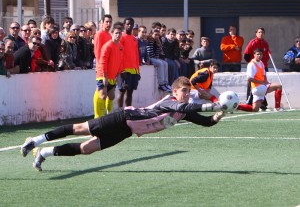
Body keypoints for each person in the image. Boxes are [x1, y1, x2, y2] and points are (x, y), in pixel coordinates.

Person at [20, 76, 225, 171]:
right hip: (122, 118)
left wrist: (220, 114)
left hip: (126, 131)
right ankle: (35, 141)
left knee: (86, 149)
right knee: (79, 128)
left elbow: (206, 123)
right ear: (175, 92)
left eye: (189, 91)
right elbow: (186, 109)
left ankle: (44, 153)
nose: (187, 95)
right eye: (184, 91)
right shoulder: (172, 102)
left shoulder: (184, 110)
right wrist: (215, 104)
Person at [93, 25, 124, 118]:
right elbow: (103, 62)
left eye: (119, 33)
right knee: (102, 95)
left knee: (111, 96)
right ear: (112, 34)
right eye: (116, 33)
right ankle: (98, 117)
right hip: (102, 74)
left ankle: (109, 115)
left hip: (112, 76)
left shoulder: (120, 47)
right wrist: (104, 76)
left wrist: (118, 75)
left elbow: (119, 62)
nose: (118, 35)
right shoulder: (107, 46)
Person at [243, 27, 270, 110]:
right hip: (254, 66)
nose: (260, 34)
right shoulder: (252, 42)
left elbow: (267, 55)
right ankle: (249, 102)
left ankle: (262, 103)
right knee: (252, 86)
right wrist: (252, 63)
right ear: (256, 33)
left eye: (262, 32)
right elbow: (246, 54)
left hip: (263, 66)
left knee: (263, 85)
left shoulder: (265, 43)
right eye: (259, 32)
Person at [117, 17, 140, 108]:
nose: (129, 26)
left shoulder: (134, 39)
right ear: (124, 25)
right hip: (124, 70)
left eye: (131, 24)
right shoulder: (121, 37)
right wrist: (121, 70)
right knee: (122, 91)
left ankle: (128, 112)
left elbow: (136, 55)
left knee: (130, 92)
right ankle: (119, 112)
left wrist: (138, 71)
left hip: (134, 71)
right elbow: (119, 54)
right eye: (128, 24)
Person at [93, 14, 113, 118]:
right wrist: (101, 67)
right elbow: (97, 52)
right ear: (102, 22)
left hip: (110, 69)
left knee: (109, 93)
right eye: (107, 22)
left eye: (110, 22)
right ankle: (98, 117)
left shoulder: (109, 35)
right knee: (101, 91)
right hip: (102, 68)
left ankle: (107, 115)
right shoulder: (99, 34)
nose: (108, 24)